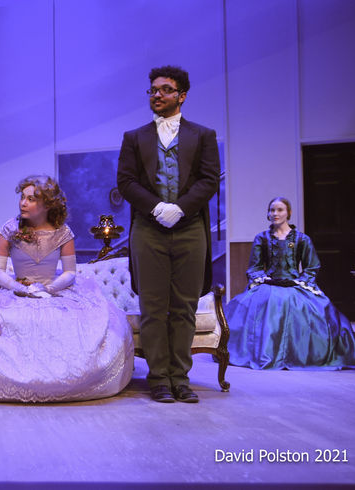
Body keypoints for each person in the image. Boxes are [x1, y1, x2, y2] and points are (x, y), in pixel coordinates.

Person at [0, 176, 134, 402]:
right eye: (22, 197)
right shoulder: (9, 229)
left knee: (69, 322)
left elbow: (70, 273)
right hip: (14, 291)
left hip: (52, 290)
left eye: (31, 199)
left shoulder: (63, 233)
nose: (23, 203)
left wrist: (49, 288)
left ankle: (60, 381)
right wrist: (18, 288)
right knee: (12, 319)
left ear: (47, 204)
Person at [117, 65, 220, 403]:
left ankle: (181, 379)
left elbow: (209, 179)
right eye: (153, 90)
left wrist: (181, 208)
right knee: (153, 307)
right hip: (149, 229)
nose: (157, 95)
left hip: (190, 228)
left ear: (182, 96)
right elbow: (126, 182)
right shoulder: (134, 137)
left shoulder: (203, 135)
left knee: (184, 308)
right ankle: (159, 379)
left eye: (164, 89)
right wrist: (157, 207)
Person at [227, 197, 355, 370]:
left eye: (280, 210)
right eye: (272, 210)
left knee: (318, 310)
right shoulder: (262, 238)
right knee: (258, 307)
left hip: (294, 283)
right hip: (269, 283)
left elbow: (312, 267)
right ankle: (266, 353)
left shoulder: (301, 239)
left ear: (288, 213)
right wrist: (264, 279)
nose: (275, 213)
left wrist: (300, 282)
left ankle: (300, 355)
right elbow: (255, 267)